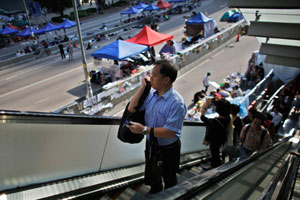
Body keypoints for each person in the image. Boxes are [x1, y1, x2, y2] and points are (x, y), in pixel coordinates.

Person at [127, 60, 187, 194]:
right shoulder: (151, 94)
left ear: (166, 80)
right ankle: (156, 190)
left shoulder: (177, 103)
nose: (150, 78)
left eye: (154, 75)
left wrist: (144, 130)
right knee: (153, 173)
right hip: (152, 144)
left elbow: (170, 132)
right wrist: (143, 88)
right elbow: (132, 108)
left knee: (169, 177)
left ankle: (170, 195)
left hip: (169, 148)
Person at [201, 98, 231, 168]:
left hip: (214, 141)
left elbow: (202, 117)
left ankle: (214, 166)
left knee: (214, 154)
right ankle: (216, 164)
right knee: (216, 153)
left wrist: (205, 106)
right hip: (221, 140)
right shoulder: (228, 118)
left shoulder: (214, 122)